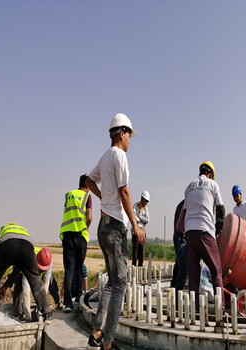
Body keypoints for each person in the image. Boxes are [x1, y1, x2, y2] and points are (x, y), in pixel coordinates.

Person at [85, 113, 145, 350]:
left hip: (103, 226)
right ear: (122, 133)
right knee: (120, 284)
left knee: (112, 282)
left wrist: (103, 199)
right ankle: (108, 342)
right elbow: (125, 191)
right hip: (117, 227)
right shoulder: (119, 155)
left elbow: (89, 181)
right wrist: (136, 226)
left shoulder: (104, 156)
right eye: (129, 135)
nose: (130, 140)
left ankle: (97, 332)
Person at [0, 223, 52, 326]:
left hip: (6, 246)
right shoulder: (22, 231)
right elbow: (18, 269)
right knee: (36, 281)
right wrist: (5, 286)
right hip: (26, 246)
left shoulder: (1, 231)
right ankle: (47, 313)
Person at [184, 161, 225, 312]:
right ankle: (221, 310)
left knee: (194, 273)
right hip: (205, 230)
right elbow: (220, 209)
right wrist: (218, 230)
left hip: (190, 232)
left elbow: (185, 210)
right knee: (216, 270)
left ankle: (194, 311)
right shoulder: (213, 185)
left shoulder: (189, 187)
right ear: (210, 174)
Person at [0, 247, 63, 321]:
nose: (41, 271)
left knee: (51, 279)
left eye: (43, 270)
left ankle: (59, 301)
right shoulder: (29, 261)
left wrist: (41, 306)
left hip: (36, 265)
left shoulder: (49, 260)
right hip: (21, 270)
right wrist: (28, 315)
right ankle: (18, 312)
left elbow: (46, 283)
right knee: (19, 292)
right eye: (40, 269)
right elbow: (26, 291)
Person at [60, 174, 92, 313]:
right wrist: (86, 227)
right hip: (80, 236)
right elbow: (89, 216)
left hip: (67, 236)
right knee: (79, 267)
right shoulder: (87, 197)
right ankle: (78, 298)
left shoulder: (68, 195)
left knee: (69, 270)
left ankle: (68, 303)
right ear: (87, 185)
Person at [171, 199, 188, 294]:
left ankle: (174, 289)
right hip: (181, 237)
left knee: (179, 264)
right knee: (183, 268)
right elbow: (180, 227)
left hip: (180, 237)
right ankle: (177, 296)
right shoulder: (186, 205)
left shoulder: (182, 204)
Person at [132, 190, 150, 267]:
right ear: (142, 198)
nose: (146, 202)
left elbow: (147, 220)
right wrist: (140, 219)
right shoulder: (135, 205)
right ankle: (133, 268)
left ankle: (140, 268)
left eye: (147, 201)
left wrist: (139, 216)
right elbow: (134, 217)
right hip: (135, 232)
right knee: (135, 252)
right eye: (145, 200)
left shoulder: (146, 209)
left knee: (141, 252)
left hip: (143, 232)